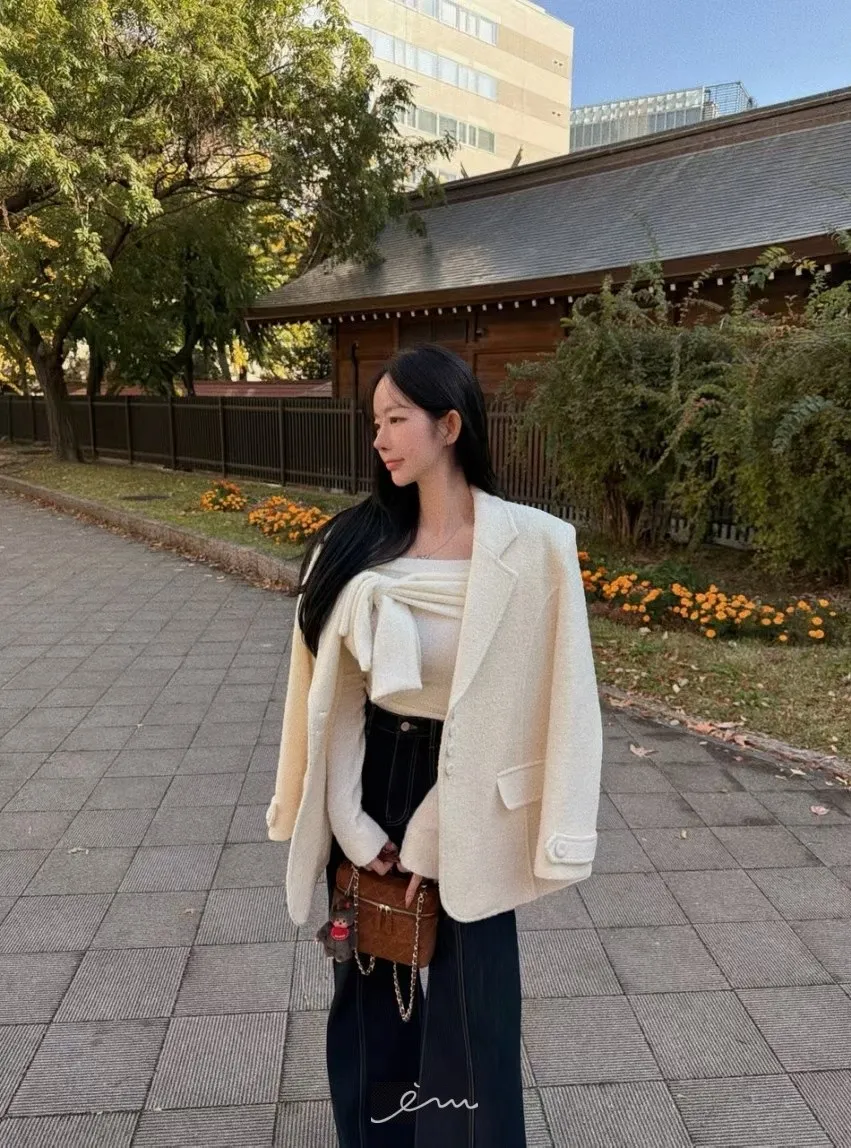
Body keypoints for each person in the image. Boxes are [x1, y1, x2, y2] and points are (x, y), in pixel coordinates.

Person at [266, 344, 603, 1147]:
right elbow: (331, 694)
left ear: (449, 426)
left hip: (475, 791)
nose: (379, 439)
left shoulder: (535, 546)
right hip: (370, 770)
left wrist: (433, 828)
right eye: (374, 421)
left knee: (472, 1002)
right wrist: (349, 821)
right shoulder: (354, 543)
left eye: (396, 420)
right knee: (370, 992)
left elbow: (559, 701)